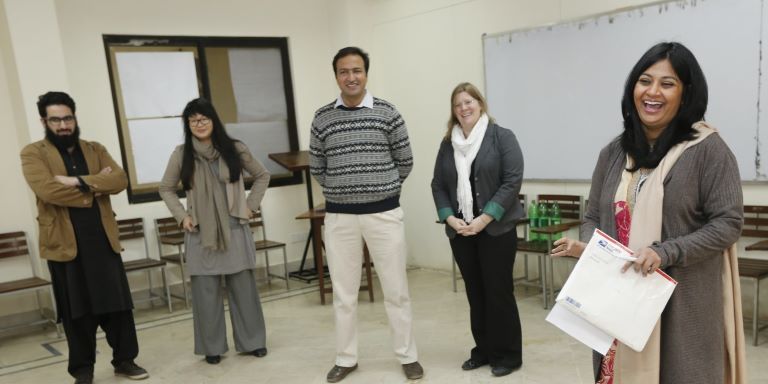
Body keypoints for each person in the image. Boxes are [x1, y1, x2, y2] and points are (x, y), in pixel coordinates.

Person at [551, 42, 746, 384]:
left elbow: (728, 223)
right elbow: (593, 215)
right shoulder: (613, 152)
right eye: (645, 80)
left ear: (686, 95)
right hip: (618, 304)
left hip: (681, 305)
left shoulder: (709, 151)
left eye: (667, 84)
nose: (652, 92)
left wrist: (664, 251)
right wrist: (592, 249)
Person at [309, 46, 422, 383]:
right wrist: (342, 193)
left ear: (366, 73)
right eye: (344, 71)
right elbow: (318, 166)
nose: (351, 77)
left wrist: (382, 190)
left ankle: (408, 355)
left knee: (396, 289)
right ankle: (346, 358)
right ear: (336, 77)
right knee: (344, 293)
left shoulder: (388, 113)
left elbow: (406, 161)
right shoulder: (322, 117)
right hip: (340, 218)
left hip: (383, 214)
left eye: (356, 70)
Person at [20, 91, 149, 384]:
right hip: (64, 243)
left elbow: (119, 179)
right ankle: (83, 370)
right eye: (56, 120)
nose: (63, 125)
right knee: (76, 311)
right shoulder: (33, 153)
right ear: (44, 121)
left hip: (102, 239)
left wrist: (76, 181)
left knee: (117, 305)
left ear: (74, 118)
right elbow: (47, 191)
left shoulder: (94, 148)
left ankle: (125, 360)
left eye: (68, 118)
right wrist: (95, 186)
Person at [159, 97, 270, 365]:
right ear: (188, 124)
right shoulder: (181, 154)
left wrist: (250, 206)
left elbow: (263, 175)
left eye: (204, 118)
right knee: (205, 295)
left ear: (213, 120)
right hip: (200, 232)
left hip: (234, 228)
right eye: (193, 120)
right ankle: (212, 347)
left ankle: (253, 342)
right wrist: (181, 216)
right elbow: (166, 187)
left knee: (244, 290)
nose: (199, 124)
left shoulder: (235, 149)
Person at [430, 82, 524, 377]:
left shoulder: (501, 137)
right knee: (475, 293)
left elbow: (512, 181)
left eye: (469, 102)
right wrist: (449, 218)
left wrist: (485, 218)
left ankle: (507, 355)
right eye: (458, 104)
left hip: (495, 230)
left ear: (480, 104)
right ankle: (483, 350)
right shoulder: (448, 144)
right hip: (461, 232)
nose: (464, 108)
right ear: (454, 111)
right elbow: (438, 185)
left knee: (498, 293)